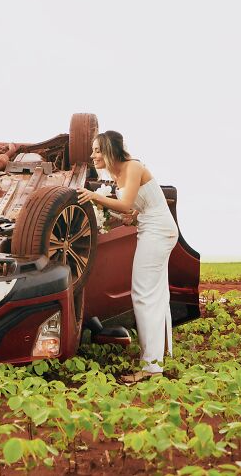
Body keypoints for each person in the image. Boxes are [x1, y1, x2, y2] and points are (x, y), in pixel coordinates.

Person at [77, 131, 178, 382]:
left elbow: (125, 204)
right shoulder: (116, 173)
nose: (93, 155)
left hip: (158, 230)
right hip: (149, 228)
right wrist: (126, 216)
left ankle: (151, 367)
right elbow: (132, 210)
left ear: (111, 149)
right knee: (151, 295)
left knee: (144, 295)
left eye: (97, 150)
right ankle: (155, 359)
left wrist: (95, 197)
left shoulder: (133, 167)